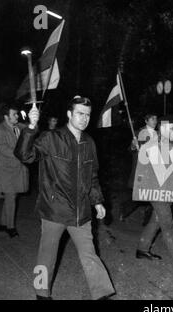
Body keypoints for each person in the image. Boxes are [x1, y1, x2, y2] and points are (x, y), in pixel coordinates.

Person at [14, 96, 115, 300]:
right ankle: (41, 293)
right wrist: (31, 127)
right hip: (54, 209)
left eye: (87, 115)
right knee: (46, 255)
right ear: (69, 114)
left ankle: (102, 294)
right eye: (80, 113)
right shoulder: (52, 138)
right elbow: (24, 155)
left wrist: (97, 201)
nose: (84, 118)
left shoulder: (89, 142)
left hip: (80, 210)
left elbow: (92, 176)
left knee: (89, 254)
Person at [136, 114, 173, 270]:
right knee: (167, 224)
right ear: (163, 129)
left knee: (156, 221)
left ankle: (142, 249)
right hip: (157, 191)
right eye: (172, 128)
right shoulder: (153, 145)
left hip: (168, 190)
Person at [0, 104, 29, 237]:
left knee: (11, 196)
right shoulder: (0, 130)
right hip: (6, 169)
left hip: (17, 168)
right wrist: (21, 153)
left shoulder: (19, 126)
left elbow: (33, 129)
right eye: (14, 114)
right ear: (6, 117)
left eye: (16, 114)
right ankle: (10, 227)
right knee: (11, 196)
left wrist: (33, 121)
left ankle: (3, 224)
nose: (17, 116)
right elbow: (3, 149)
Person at [121, 113, 157, 225]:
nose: (155, 121)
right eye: (152, 119)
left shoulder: (159, 134)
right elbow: (130, 150)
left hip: (154, 170)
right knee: (137, 196)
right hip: (141, 169)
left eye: (156, 119)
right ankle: (124, 210)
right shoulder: (138, 133)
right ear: (146, 121)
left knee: (153, 197)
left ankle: (147, 222)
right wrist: (133, 146)